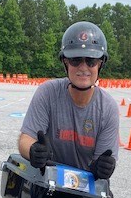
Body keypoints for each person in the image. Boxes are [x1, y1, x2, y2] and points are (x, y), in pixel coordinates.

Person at [18, 21, 119, 185]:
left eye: (91, 61)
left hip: (86, 185)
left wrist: (102, 167)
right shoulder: (48, 93)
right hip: (48, 182)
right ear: (65, 62)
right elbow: (25, 139)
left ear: (100, 64)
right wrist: (33, 151)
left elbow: (105, 158)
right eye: (75, 60)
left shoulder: (108, 108)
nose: (83, 67)